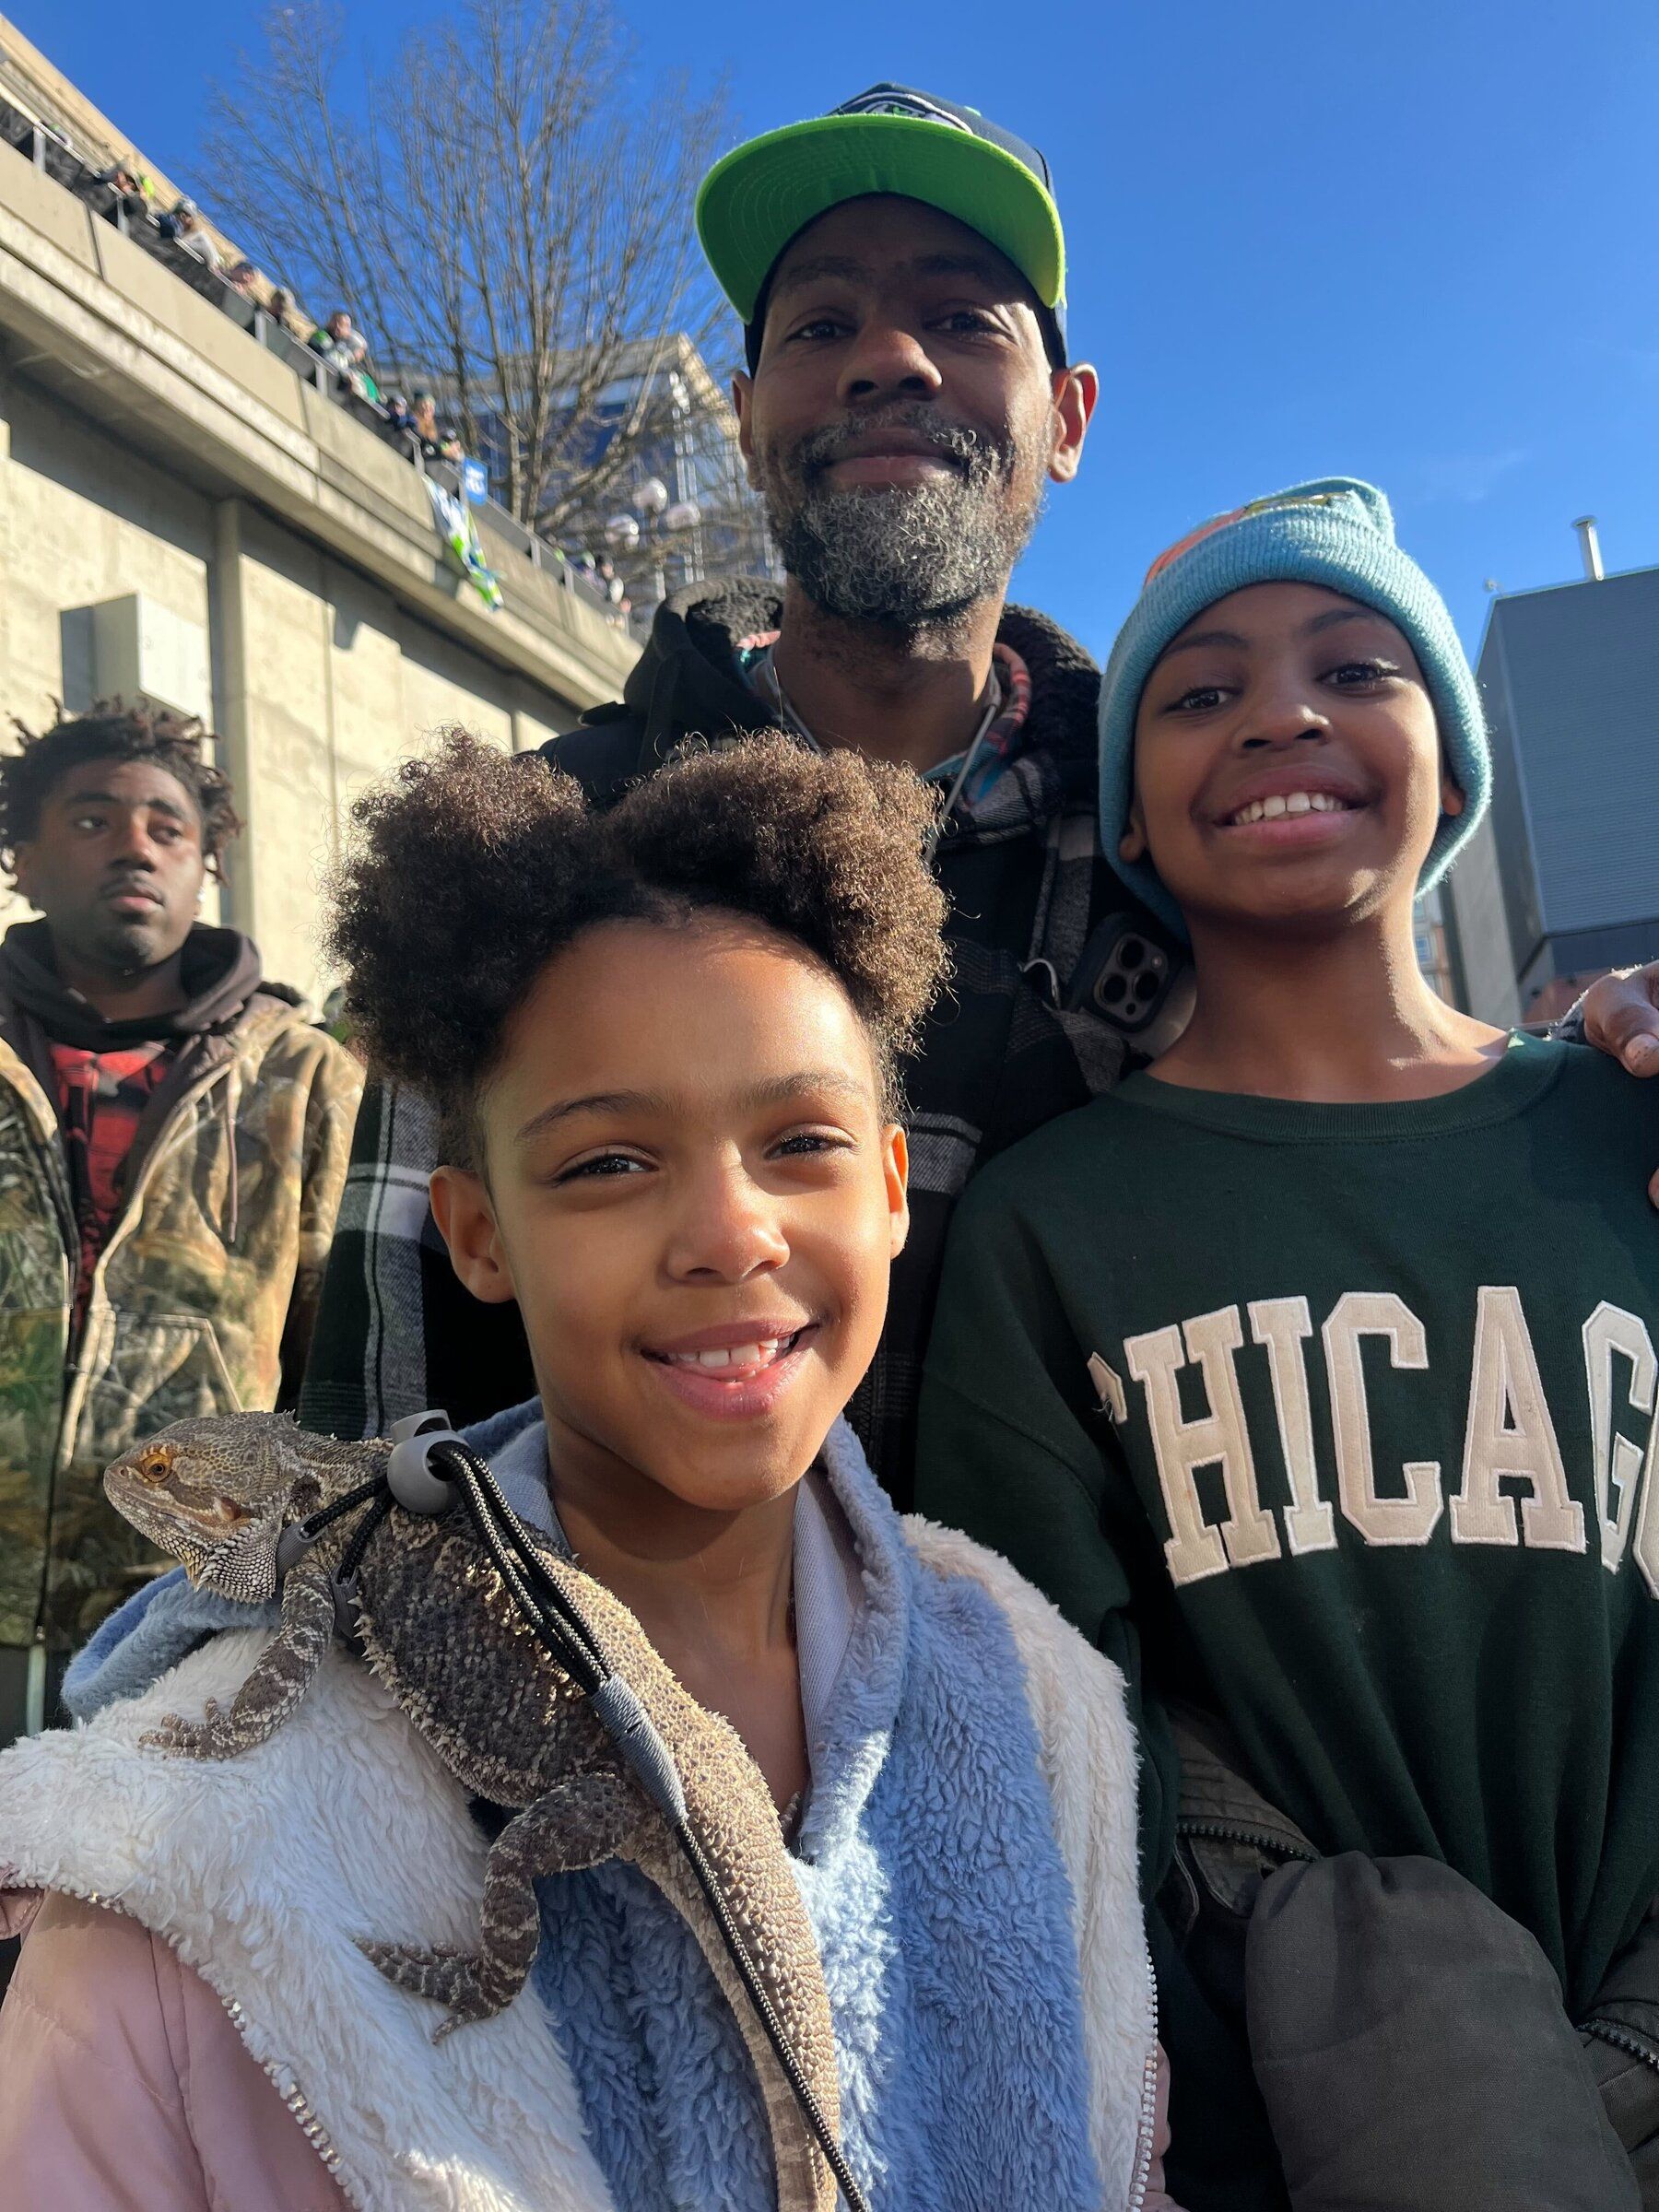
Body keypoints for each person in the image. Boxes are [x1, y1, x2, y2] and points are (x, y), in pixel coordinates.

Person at [299, 82, 1659, 1498]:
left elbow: (1408, 1137)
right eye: (822, 325)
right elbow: (374, 1444)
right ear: (745, 411)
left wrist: (1599, 1077)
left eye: (961, 319)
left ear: (1066, 418)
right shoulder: (525, 860)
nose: (889, 358)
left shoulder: (1186, 846)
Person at [0, 732, 1177, 2212]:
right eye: (608, 1163)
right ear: (474, 1235)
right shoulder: (182, 1874)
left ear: (891, 1190)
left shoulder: (1033, 1690)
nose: (730, 1233)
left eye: (800, 1142)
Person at [917, 480, 1659, 2207]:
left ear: (1455, 767)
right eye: (1200, 692)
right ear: (1136, 821)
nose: (1282, 715)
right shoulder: (1052, 1228)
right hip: (1307, 2123)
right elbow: (1056, 1761)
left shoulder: (1624, 1131)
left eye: (1354, 664)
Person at [0, 702, 363, 1755]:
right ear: (21, 858)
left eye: (167, 827)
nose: (133, 846)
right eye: (91, 820)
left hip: (176, 1625)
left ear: (205, 865)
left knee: (116, 1913)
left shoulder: (307, 1082)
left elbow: (343, 1374)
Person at [156, 196, 220, 270]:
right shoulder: (166, 220)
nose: (179, 217)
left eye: (186, 216)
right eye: (177, 214)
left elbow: (209, 253)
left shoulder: (198, 236)